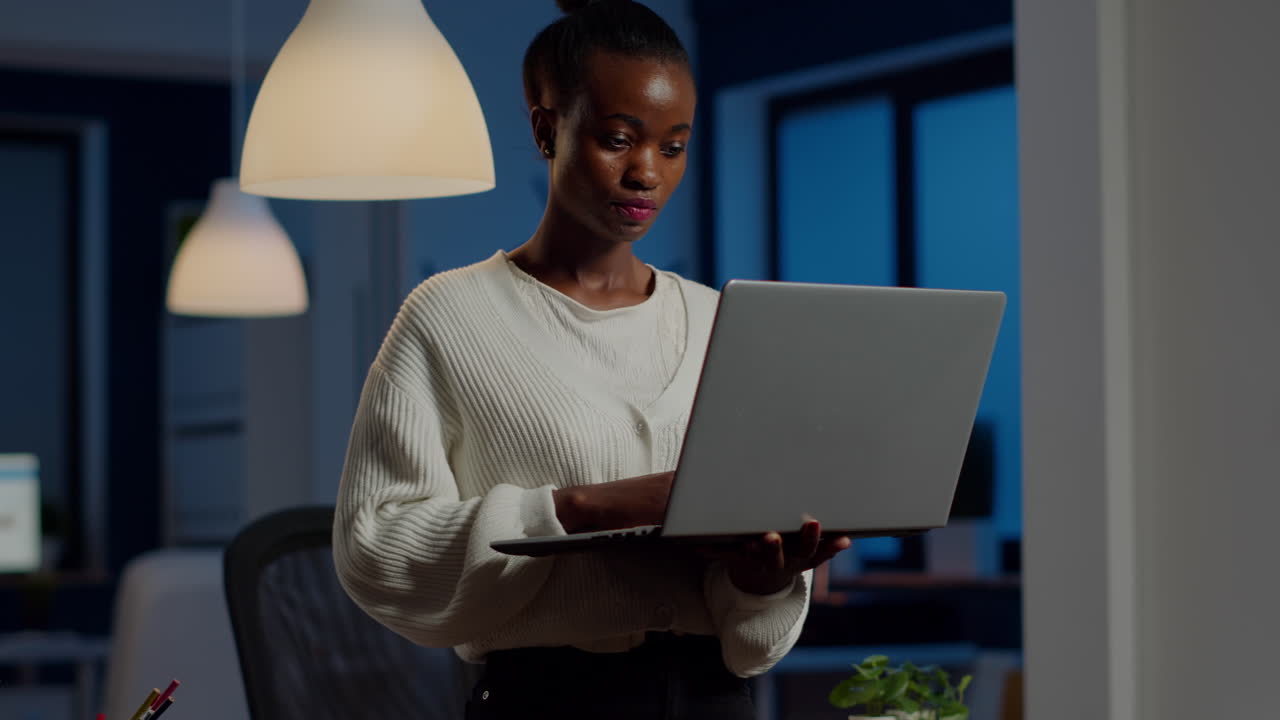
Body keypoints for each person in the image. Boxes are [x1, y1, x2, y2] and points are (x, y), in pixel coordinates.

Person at [333, 1, 851, 717]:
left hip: (714, 699)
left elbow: (751, 633)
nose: (647, 172)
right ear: (548, 129)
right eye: (618, 138)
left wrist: (762, 579)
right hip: (545, 700)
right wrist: (581, 508)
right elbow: (376, 545)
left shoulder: (718, 324)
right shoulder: (448, 318)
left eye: (673, 146)